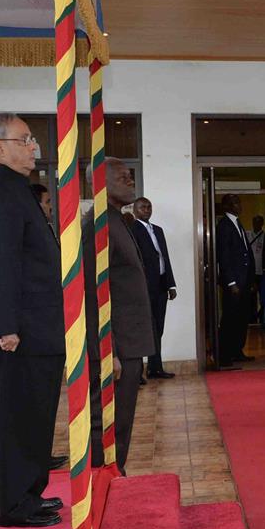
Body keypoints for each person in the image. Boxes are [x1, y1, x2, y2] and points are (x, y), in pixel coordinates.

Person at [0, 114, 64, 528]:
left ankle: (29, 493)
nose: (34, 148)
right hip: (18, 333)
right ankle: (12, 505)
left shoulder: (18, 191)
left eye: (32, 140)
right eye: (24, 140)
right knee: (14, 419)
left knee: (34, 415)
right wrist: (5, 326)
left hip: (37, 328)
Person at [81, 158, 155, 473]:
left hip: (128, 341)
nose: (130, 181)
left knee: (122, 420)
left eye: (130, 175)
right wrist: (106, 349)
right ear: (100, 184)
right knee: (109, 420)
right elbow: (93, 292)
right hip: (116, 344)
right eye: (122, 177)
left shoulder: (117, 220)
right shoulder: (98, 225)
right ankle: (105, 478)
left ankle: (115, 473)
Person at [130, 196, 177, 379]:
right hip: (144, 287)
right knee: (145, 328)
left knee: (159, 327)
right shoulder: (133, 229)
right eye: (143, 207)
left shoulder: (158, 230)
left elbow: (165, 258)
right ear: (135, 210)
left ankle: (155, 367)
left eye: (149, 206)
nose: (147, 209)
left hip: (161, 286)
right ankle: (137, 372)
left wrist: (171, 284)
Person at [215, 193, 254, 369]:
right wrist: (231, 282)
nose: (240, 205)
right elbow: (224, 256)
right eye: (235, 202)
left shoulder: (237, 222)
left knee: (241, 318)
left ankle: (237, 351)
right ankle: (224, 356)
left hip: (244, 281)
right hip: (234, 283)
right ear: (227, 206)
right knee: (230, 319)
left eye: (239, 201)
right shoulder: (224, 225)